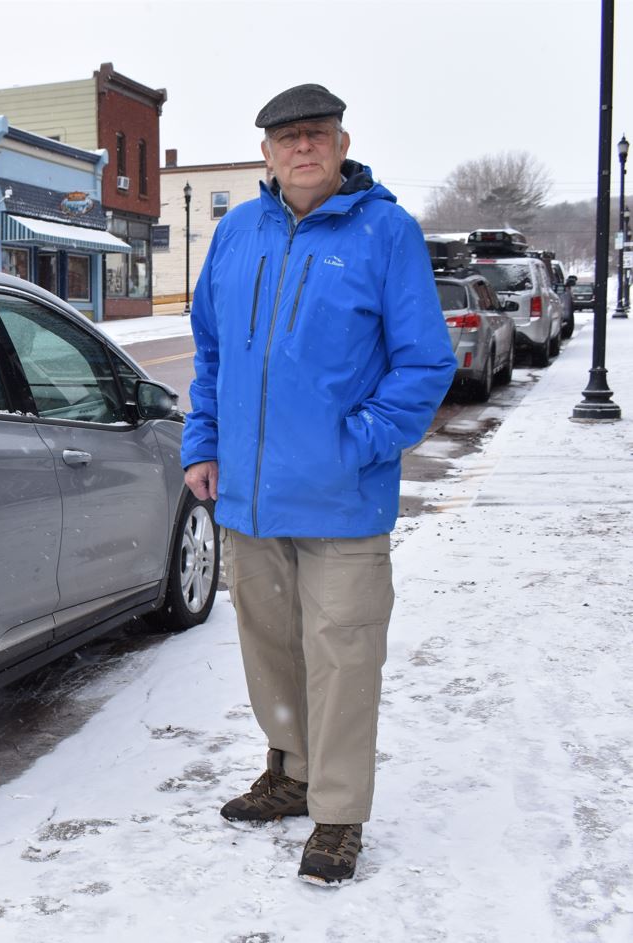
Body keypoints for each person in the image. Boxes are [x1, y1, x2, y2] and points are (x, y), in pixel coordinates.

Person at [180, 83, 456, 885]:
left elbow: (426, 362)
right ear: (265, 152)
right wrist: (203, 442)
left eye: (318, 134)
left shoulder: (385, 232)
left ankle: (337, 813)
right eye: (287, 136)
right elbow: (212, 352)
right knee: (270, 648)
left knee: (342, 655)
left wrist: (359, 442)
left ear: (341, 145)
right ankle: (292, 771)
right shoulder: (236, 232)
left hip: (343, 499)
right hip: (251, 499)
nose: (303, 147)